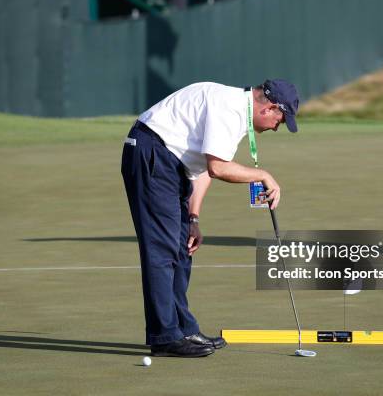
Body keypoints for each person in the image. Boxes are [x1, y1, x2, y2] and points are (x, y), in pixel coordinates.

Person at [121, 80, 299, 357]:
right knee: (163, 251)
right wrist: (264, 175)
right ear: (271, 108)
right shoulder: (229, 108)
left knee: (182, 248)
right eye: (281, 120)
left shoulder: (237, 110)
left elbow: (204, 169)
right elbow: (218, 168)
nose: (277, 127)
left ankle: (184, 330)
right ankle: (165, 337)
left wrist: (194, 217)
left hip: (168, 162)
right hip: (152, 154)